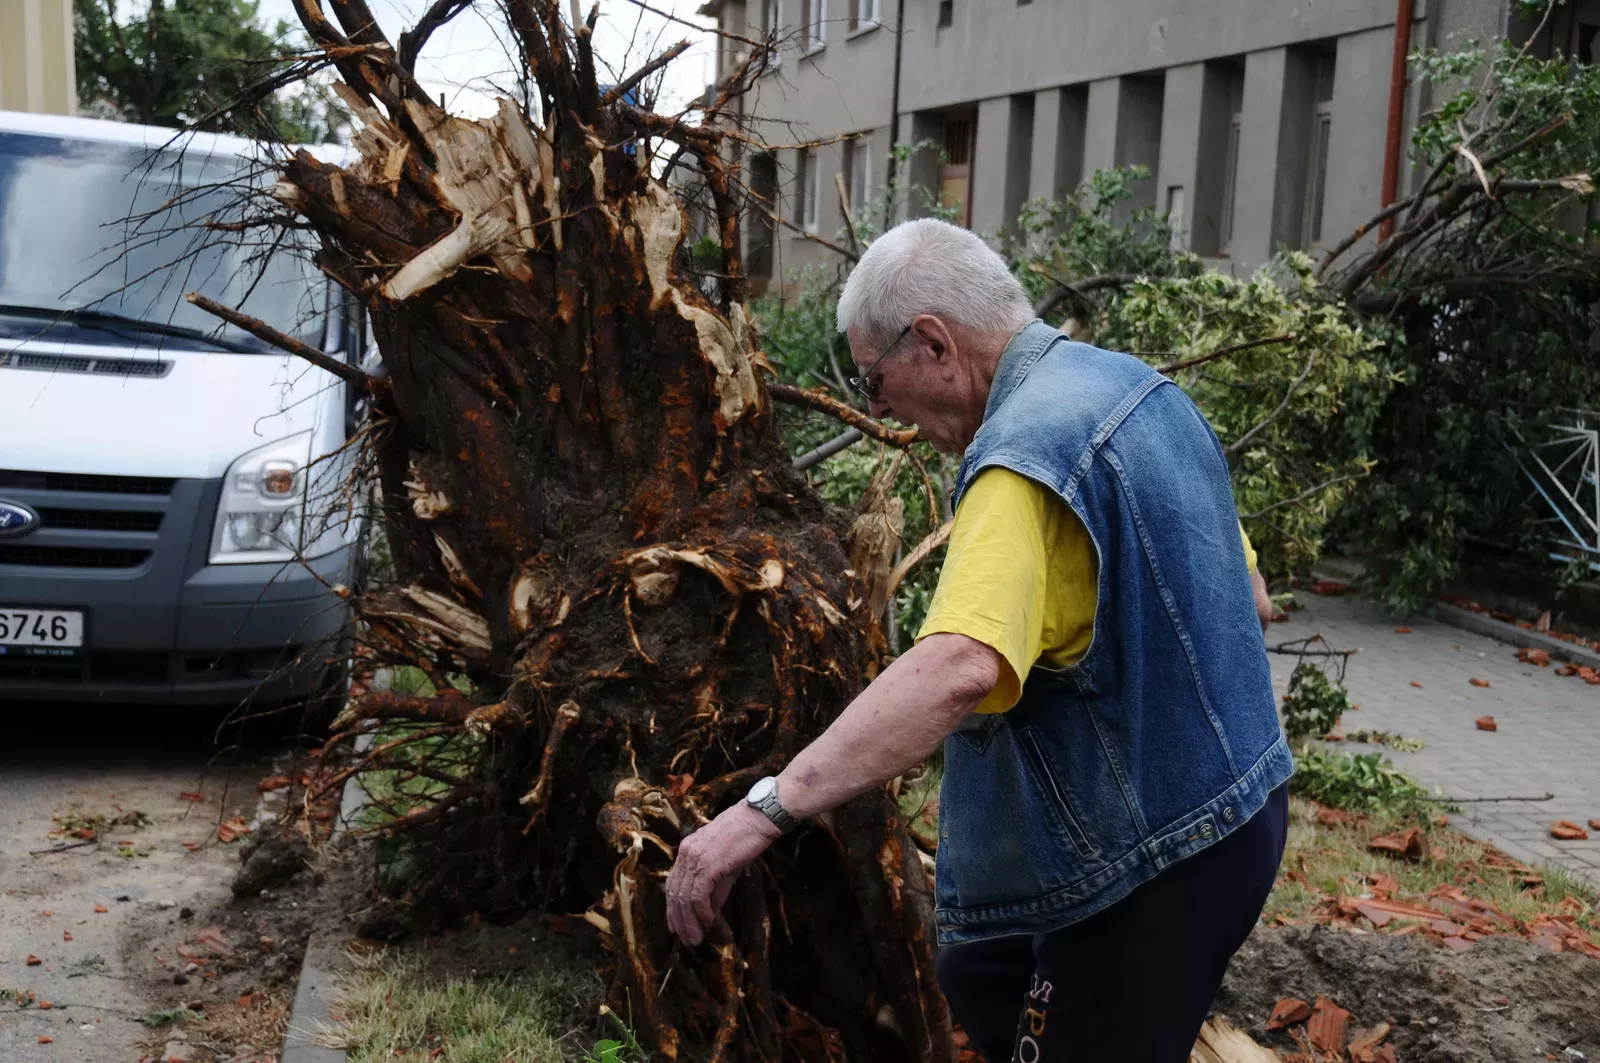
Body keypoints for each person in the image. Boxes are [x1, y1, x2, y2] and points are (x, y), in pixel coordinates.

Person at [665, 218, 1292, 1062]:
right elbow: (1246, 594)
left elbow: (956, 668)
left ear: (932, 343)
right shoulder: (1141, 391)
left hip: (1150, 872)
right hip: (1242, 816)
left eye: (874, 379)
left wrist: (761, 811)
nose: (876, 407)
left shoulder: (1020, 459)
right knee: (982, 966)